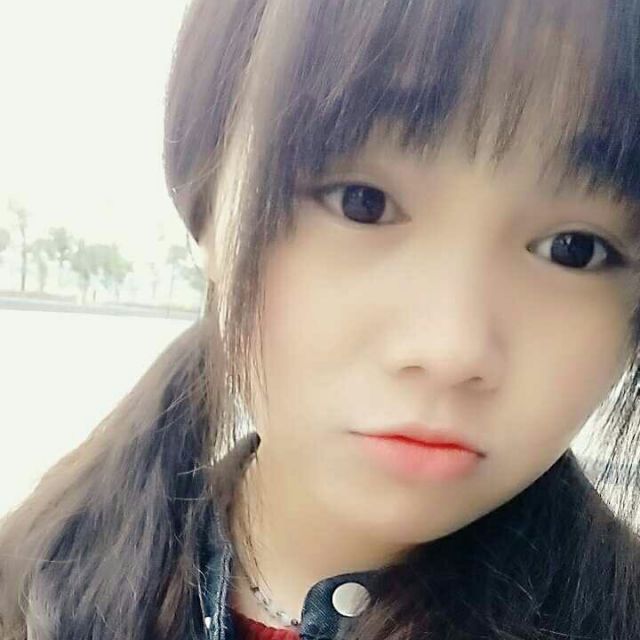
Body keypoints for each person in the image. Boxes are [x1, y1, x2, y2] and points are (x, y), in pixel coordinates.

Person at [3, 0, 640, 638]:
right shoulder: (29, 587)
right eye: (362, 203)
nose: (450, 350)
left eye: (575, 250)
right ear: (209, 210)